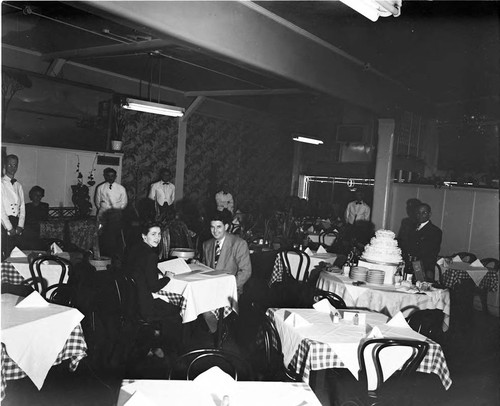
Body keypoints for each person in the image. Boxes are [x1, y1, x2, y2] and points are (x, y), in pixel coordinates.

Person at [125, 221, 182, 356]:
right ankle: (170, 351)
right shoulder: (151, 255)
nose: (157, 238)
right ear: (144, 236)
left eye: (159, 234)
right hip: (144, 306)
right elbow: (154, 287)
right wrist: (167, 277)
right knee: (177, 311)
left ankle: (152, 340)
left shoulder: (133, 249)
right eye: (153, 234)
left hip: (130, 302)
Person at [201, 209, 251, 332]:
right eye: (212, 227)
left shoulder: (238, 244)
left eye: (219, 227)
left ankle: (218, 333)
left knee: (206, 310)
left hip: (231, 290)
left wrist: (229, 287)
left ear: (226, 226)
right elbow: (205, 268)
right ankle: (218, 331)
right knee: (196, 302)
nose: (215, 231)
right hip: (211, 287)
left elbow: (246, 271)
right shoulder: (206, 245)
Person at [94, 168, 128, 258]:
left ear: (115, 176)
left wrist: (116, 211)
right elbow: (97, 202)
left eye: (112, 176)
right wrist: (104, 209)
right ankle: (103, 254)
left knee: (115, 235)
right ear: (105, 176)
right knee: (102, 234)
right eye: (108, 176)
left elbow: (124, 202)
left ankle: (115, 255)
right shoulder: (100, 187)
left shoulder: (121, 188)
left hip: (116, 215)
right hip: (103, 214)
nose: (110, 178)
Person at [406, 203, 442, 281]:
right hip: (409, 265)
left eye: (424, 213)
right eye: (418, 213)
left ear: (429, 214)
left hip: (422, 267)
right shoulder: (411, 228)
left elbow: (432, 253)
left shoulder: (435, 231)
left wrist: (428, 270)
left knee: (420, 289)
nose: (420, 215)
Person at [1, 155, 25, 260]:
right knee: (6, 254)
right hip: (4, 224)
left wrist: (20, 225)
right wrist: (9, 228)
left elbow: (22, 207)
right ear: (5, 165)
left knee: (17, 254)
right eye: (10, 164)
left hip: (17, 223)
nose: (13, 167)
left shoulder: (18, 185)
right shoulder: (1, 184)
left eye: (15, 165)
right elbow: (0, 209)